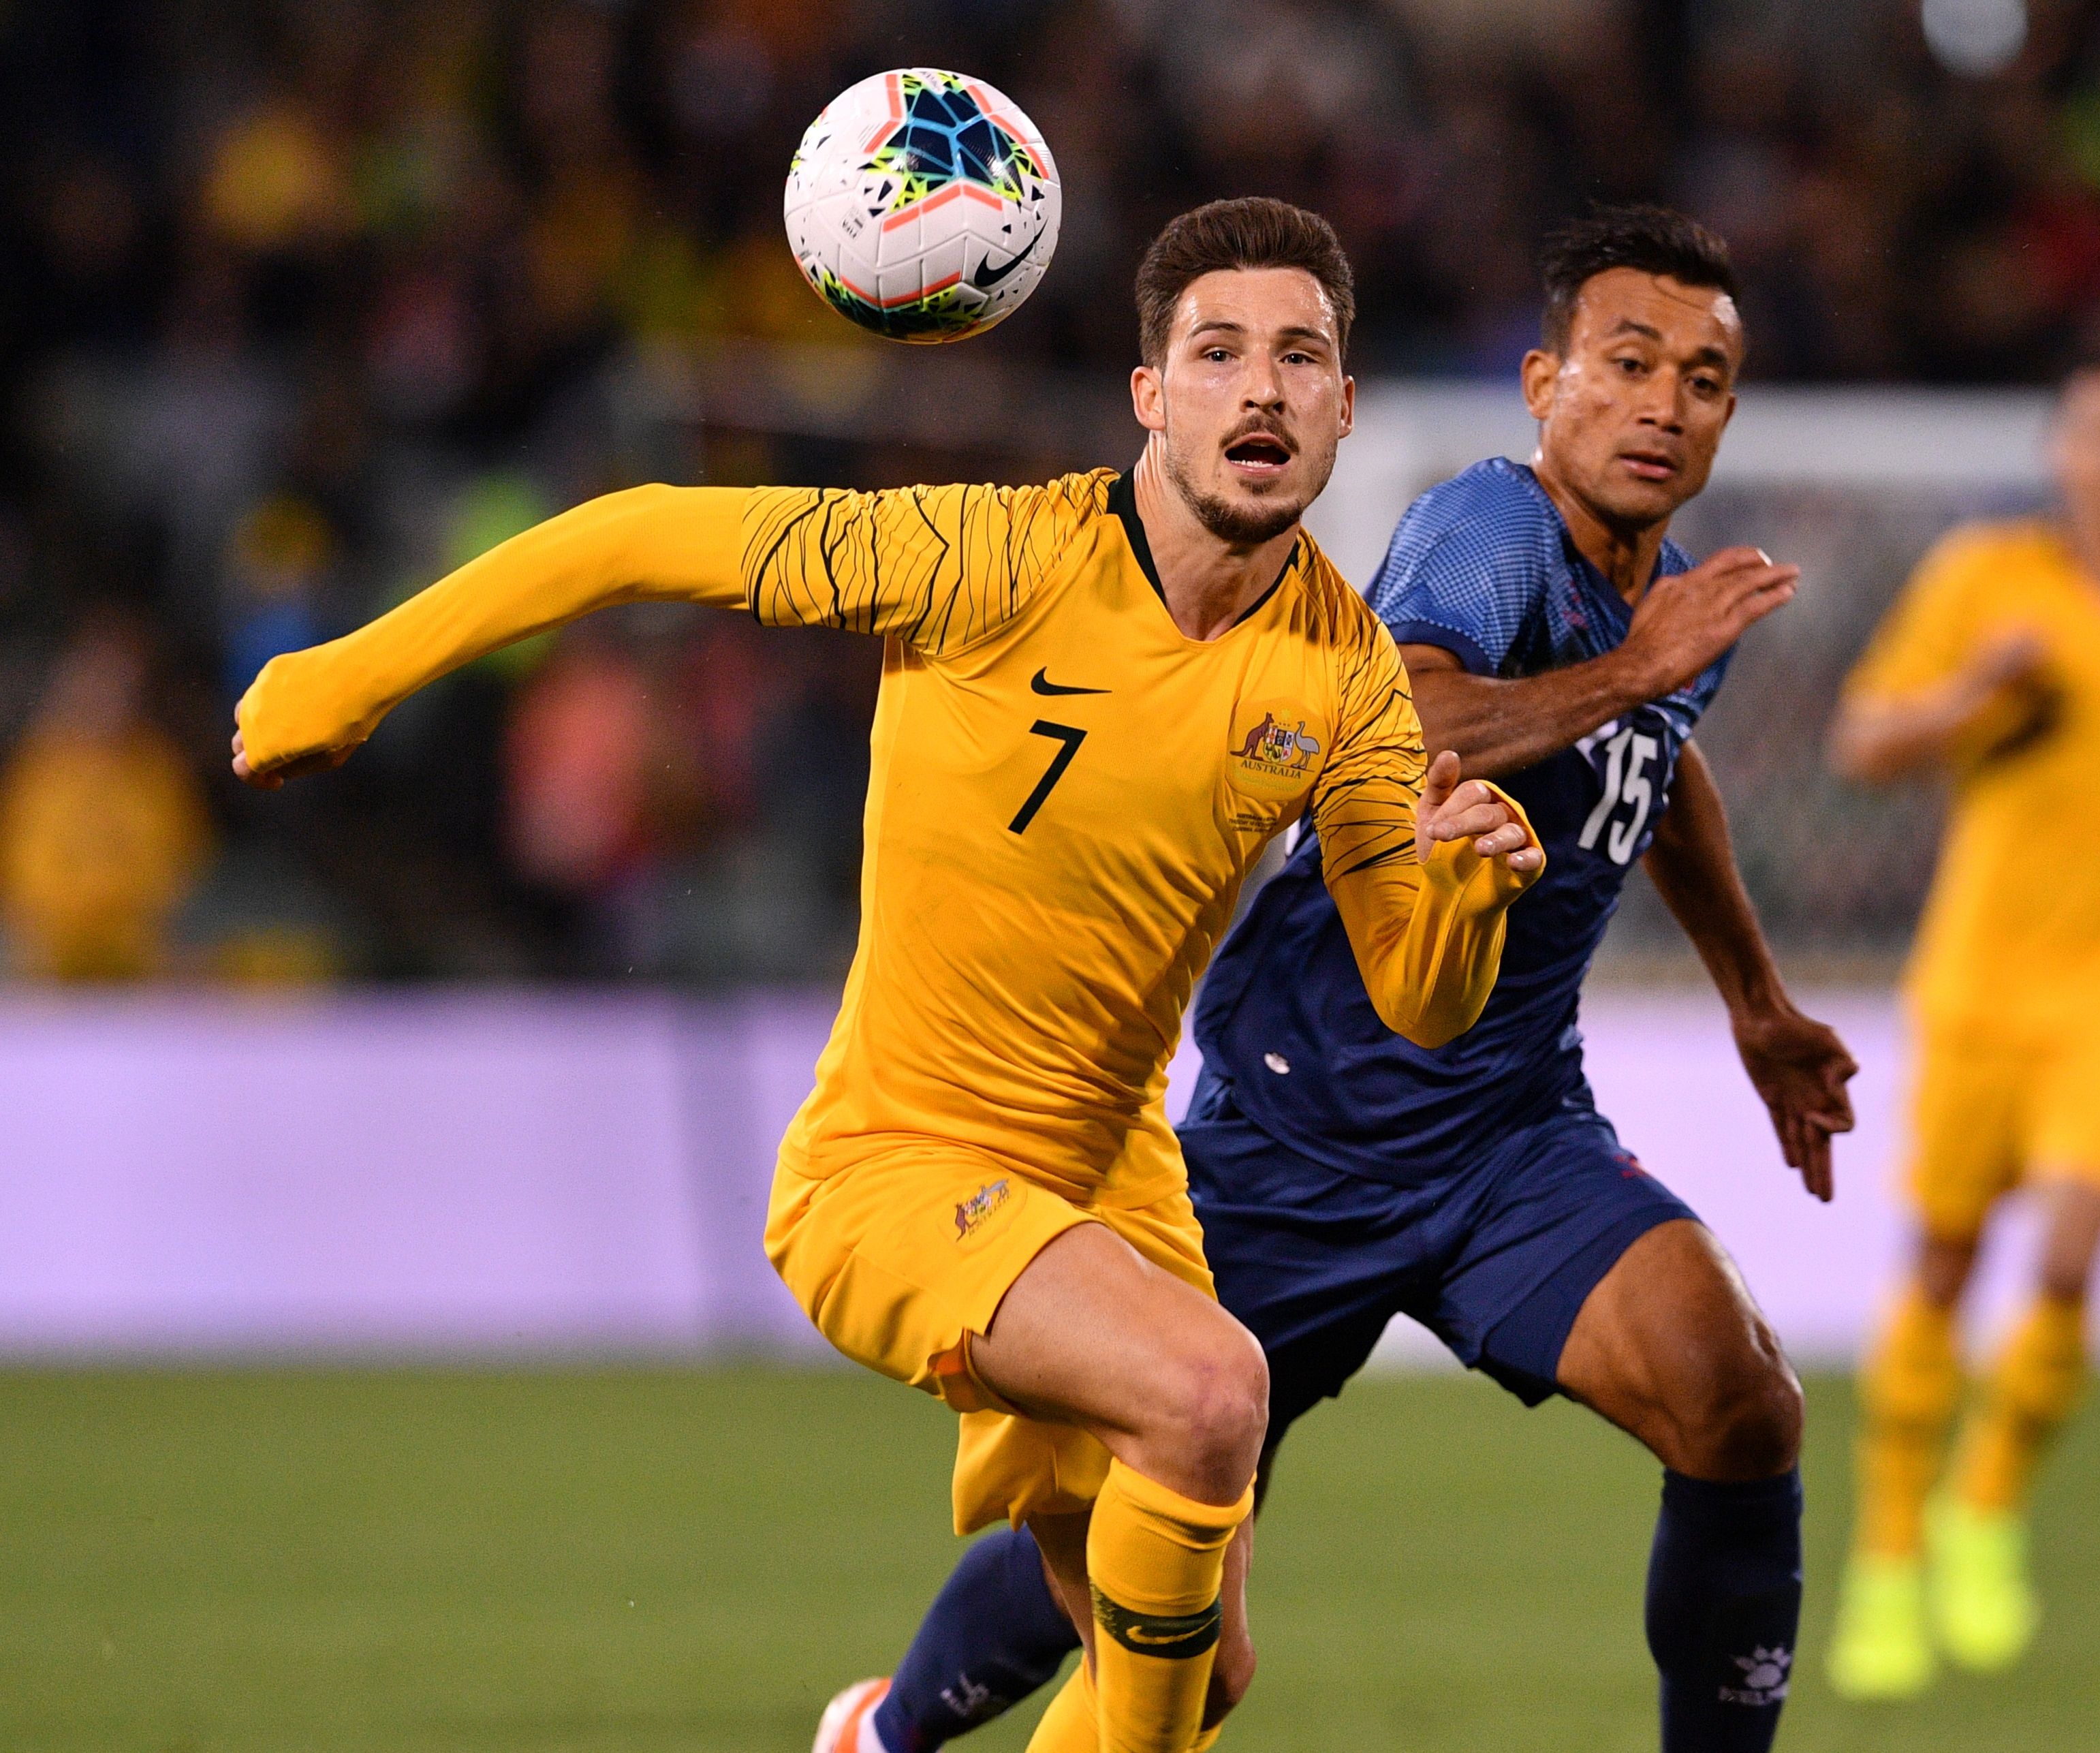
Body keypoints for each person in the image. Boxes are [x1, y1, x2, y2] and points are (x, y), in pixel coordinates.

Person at [232, 197, 1546, 1753]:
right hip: (895, 1163)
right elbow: (638, 528)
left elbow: (1420, 993)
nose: (1259, 387)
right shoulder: (983, 556)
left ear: (1345, 405)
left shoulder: (1348, 678)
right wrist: (356, 671)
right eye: (1218, 353)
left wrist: (1464, 895)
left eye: (1299, 356)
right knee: (1210, 1392)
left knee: (1203, 1670)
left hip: (1106, 1185)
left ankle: (870, 1741)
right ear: (1151, 395)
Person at [817, 206, 1857, 1753]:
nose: (1663, 404)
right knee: (1139, 1525)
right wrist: (1635, 670)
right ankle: (889, 1732)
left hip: (1508, 1134)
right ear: (1543, 382)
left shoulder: (1673, 602)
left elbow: (1662, 769)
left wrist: (1756, 999)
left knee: (1740, 1399)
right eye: (1627, 363)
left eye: (1703, 380)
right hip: (1298, 1132)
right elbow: (1412, 725)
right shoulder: (1489, 530)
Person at [1821, 365, 2100, 1698]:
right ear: (2063, 453)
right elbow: (1862, 741)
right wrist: (1972, 691)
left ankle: (1985, 1497)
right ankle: (1891, 1548)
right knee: (1947, 1256)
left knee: (2074, 1254)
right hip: (1979, 970)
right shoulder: (1984, 579)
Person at [1, 616, 211, 981]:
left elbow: (178, 866)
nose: (106, 696)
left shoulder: (157, 773)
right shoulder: (38, 770)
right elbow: (19, 869)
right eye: (95, 679)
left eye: (120, 684)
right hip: (46, 949)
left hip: (137, 947)